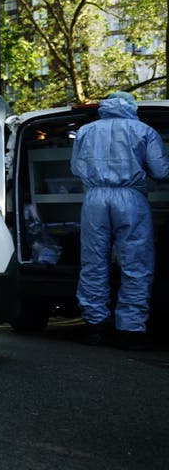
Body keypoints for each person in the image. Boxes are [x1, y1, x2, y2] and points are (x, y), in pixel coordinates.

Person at [72, 91, 169, 350]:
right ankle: (131, 330)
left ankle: (94, 327)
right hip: (131, 199)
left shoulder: (86, 131)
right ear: (132, 106)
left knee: (93, 261)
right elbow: (161, 170)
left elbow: (76, 168)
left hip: (94, 199)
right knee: (136, 263)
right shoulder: (144, 131)